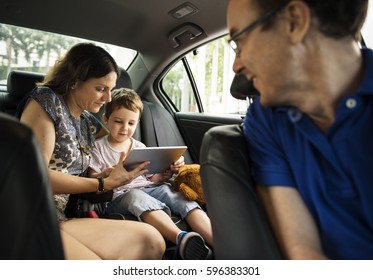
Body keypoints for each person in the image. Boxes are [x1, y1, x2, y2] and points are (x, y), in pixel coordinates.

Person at [227, 0, 373, 259]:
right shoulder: (265, 120)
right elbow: (302, 251)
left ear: (295, 21)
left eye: (239, 42)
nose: (236, 66)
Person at [19, 42, 165, 260]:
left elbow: (115, 146)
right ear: (74, 82)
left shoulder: (88, 122)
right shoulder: (46, 102)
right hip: (28, 211)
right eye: (100, 89)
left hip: (59, 216)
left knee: (152, 242)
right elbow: (35, 176)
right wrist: (102, 184)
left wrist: (109, 174)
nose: (108, 98)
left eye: (111, 90)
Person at [88, 88, 213, 260]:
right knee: (136, 195)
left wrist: (166, 173)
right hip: (119, 196)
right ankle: (181, 238)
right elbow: (92, 180)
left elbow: (151, 178)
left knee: (174, 194)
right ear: (106, 120)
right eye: (118, 121)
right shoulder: (98, 147)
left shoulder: (139, 147)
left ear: (137, 123)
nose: (125, 128)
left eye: (131, 123)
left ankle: (216, 242)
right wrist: (107, 174)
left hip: (148, 188)